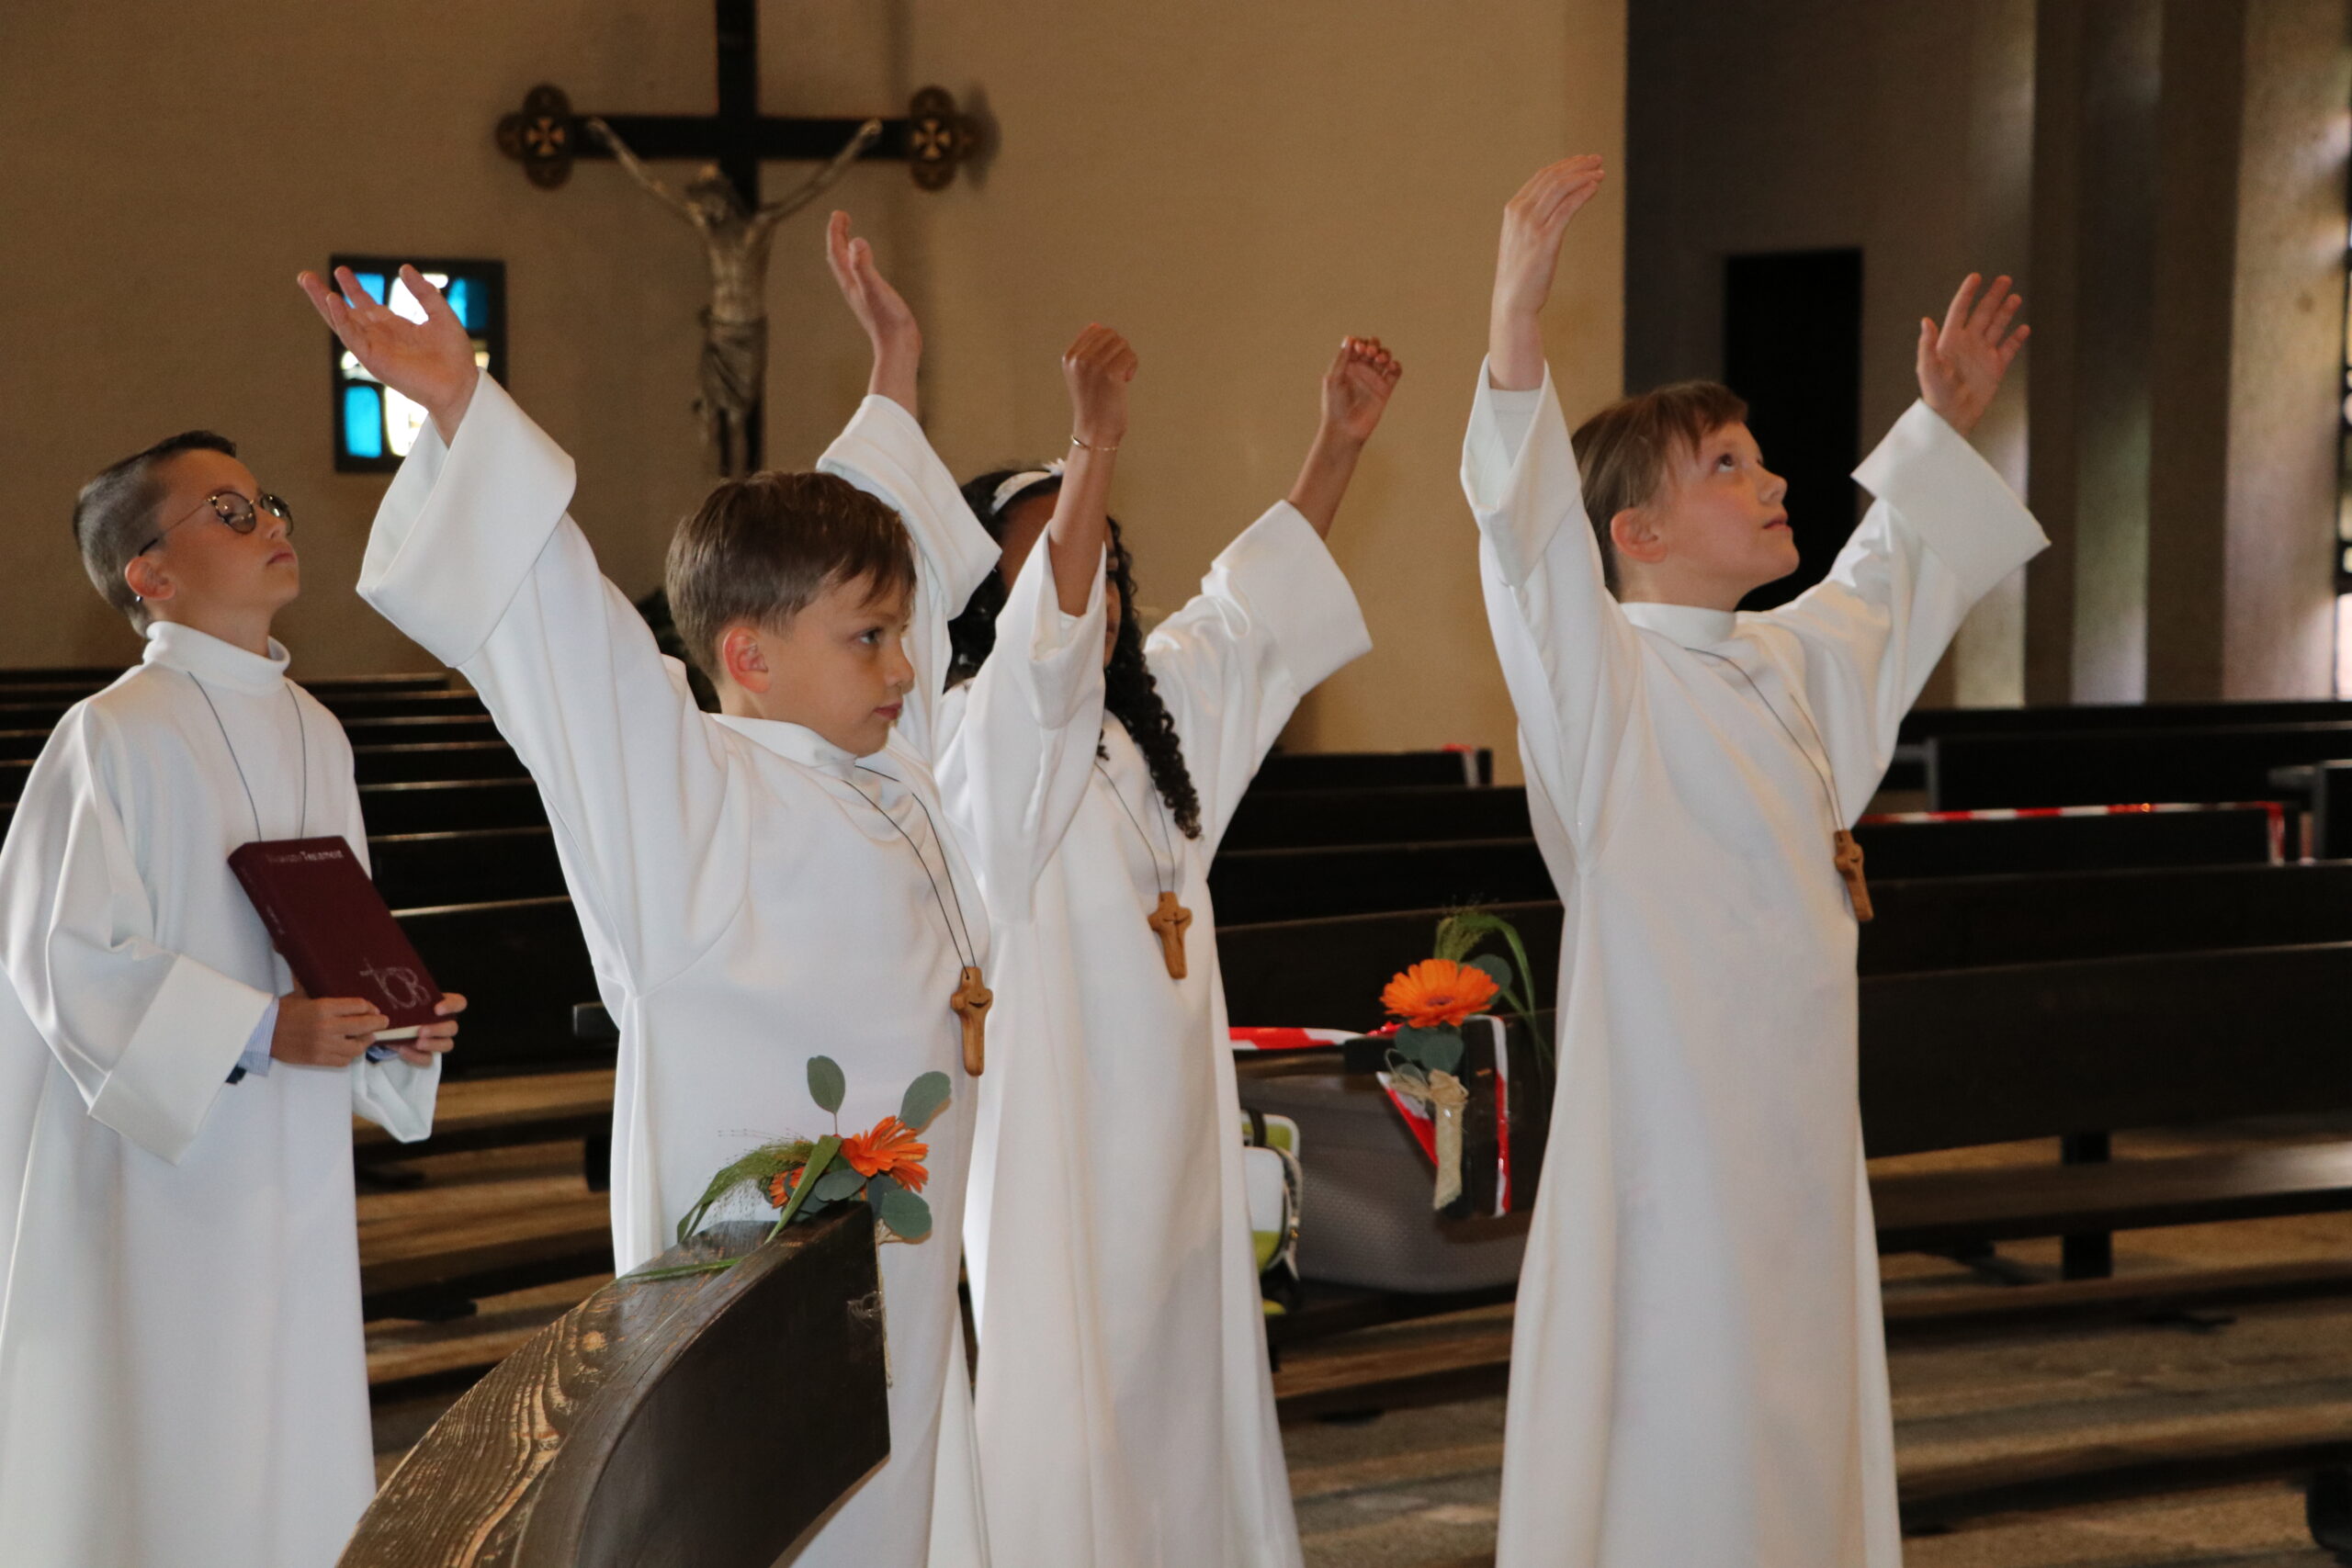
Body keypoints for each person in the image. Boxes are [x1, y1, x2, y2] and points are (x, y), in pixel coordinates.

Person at [300, 243, 1037, 1563]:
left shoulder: (888, 770)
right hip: (762, 1276)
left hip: (906, 1267)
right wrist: (463, 405)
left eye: (901, 632)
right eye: (871, 639)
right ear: (747, 654)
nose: (906, 666)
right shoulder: (691, 791)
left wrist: (894, 375)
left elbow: (863, 543)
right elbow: (568, 639)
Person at [1464, 155, 2042, 1567]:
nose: (1774, 477)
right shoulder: (1601, 682)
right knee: (1683, 1434)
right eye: (1726, 463)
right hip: (1669, 1153)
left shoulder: (1786, 663)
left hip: (1795, 1139)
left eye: (1758, 452)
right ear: (1637, 534)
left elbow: (1887, 579)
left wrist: (1944, 419)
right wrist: (1517, 319)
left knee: (1795, 1433)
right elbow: (1529, 551)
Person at [925, 250, 1396, 1560]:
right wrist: (1093, 446)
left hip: (1176, 1125)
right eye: (1050, 556)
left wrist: (1335, 445)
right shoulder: (972, 737)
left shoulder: (1155, 725)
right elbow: (1042, 663)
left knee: (1190, 1390)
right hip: (1057, 1127)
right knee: (1075, 1406)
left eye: (1101, 548)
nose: (1090, 573)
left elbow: (1253, 616)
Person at [0, 431, 460, 1567]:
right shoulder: (110, 733)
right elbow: (61, 958)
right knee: (176, 1430)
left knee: (286, 1414)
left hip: (291, 1148)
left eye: (269, 503)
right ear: (149, 575)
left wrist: (390, 1030)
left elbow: (335, 933)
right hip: (162, 1164)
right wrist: (259, 1030)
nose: (273, 525)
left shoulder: (315, 729)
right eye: (231, 512)